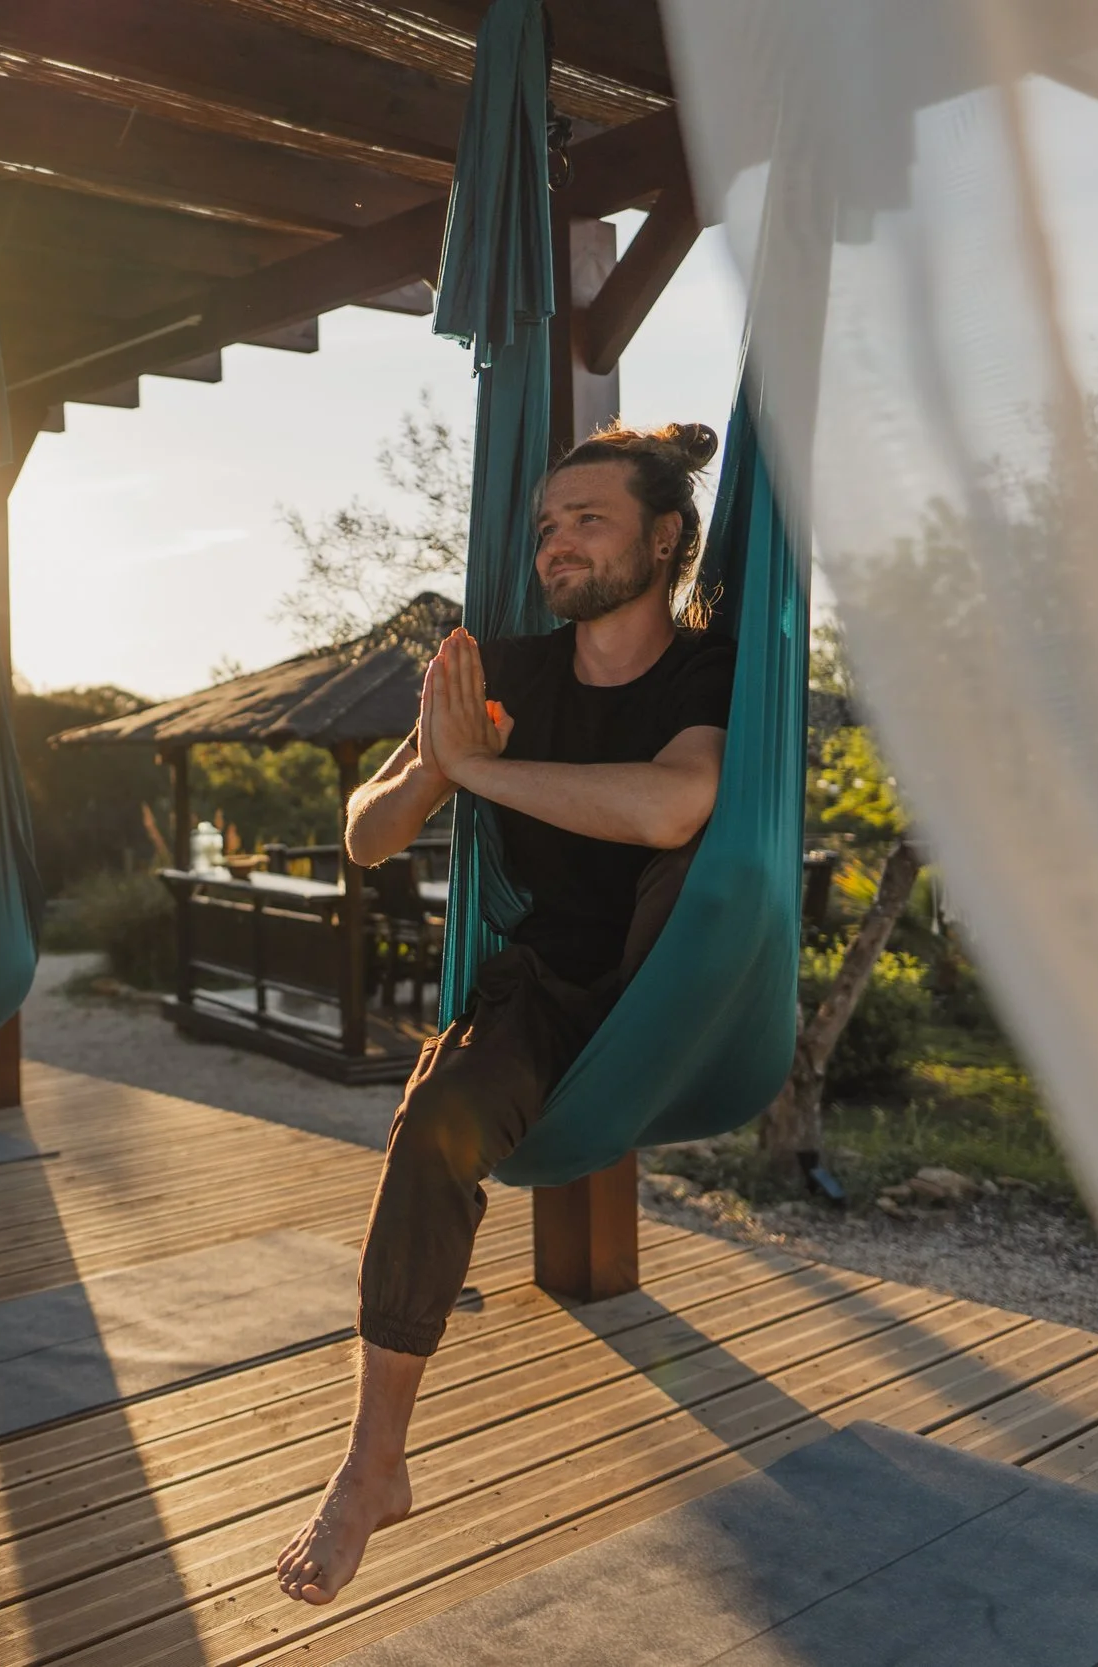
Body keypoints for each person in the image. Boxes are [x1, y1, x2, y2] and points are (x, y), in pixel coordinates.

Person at [275, 422, 733, 1605]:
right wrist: (438, 758)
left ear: (665, 536)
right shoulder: (508, 673)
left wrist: (479, 774)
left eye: (588, 519)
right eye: (544, 526)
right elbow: (365, 835)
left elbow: (672, 806)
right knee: (433, 1127)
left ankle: (373, 1463)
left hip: (671, 976)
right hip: (543, 986)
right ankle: (372, 1463)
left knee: (657, 856)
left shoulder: (706, 669)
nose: (555, 544)